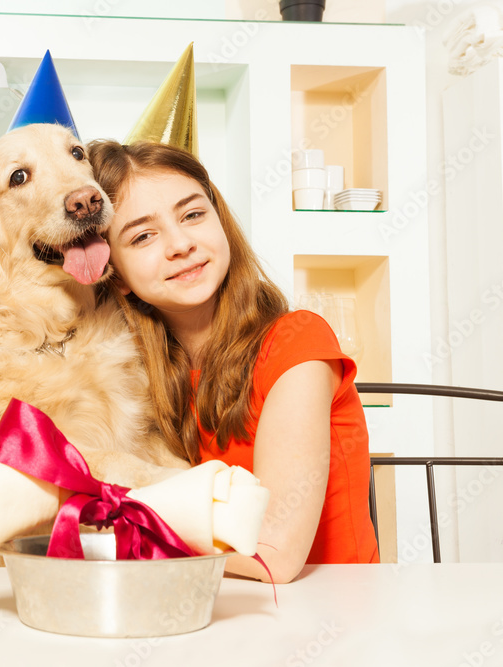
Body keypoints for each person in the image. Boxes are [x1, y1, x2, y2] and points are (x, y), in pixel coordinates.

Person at [89, 140, 379, 583]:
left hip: (333, 617)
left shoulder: (297, 342)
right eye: (143, 236)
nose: (181, 244)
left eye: (192, 214)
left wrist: (114, 514)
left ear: (220, 221)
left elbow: (272, 555)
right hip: (212, 612)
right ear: (118, 276)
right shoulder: (138, 380)